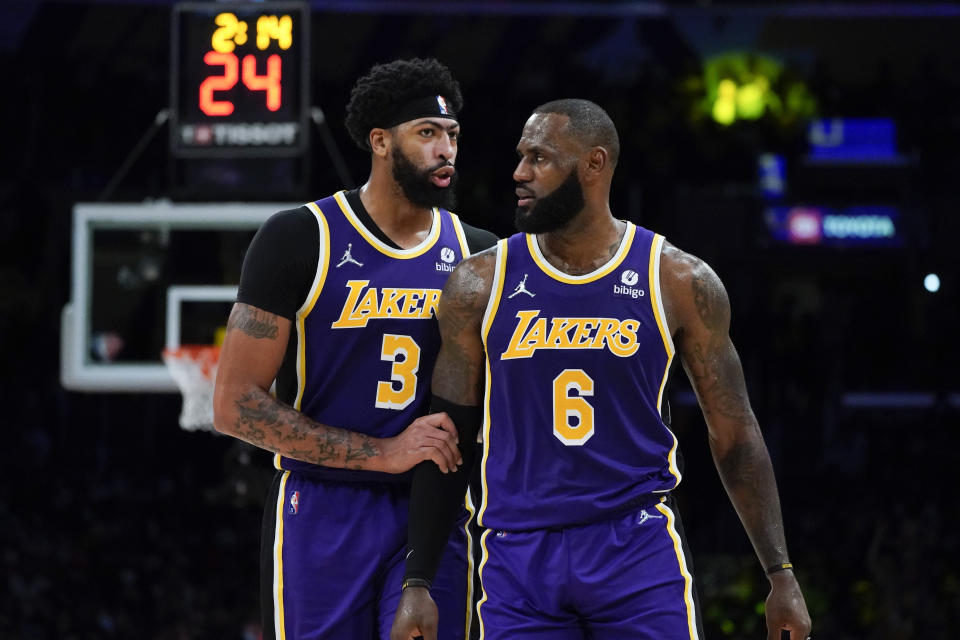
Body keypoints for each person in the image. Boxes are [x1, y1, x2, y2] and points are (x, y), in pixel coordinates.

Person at [390, 99, 812, 640]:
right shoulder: (478, 284)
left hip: (635, 548)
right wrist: (418, 579)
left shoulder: (678, 279)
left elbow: (734, 434)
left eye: (539, 158)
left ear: (594, 164)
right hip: (518, 554)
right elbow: (446, 438)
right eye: (521, 156)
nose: (519, 173)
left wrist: (781, 573)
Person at [212, 58, 497, 640]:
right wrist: (383, 453)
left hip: (432, 509)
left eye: (453, 136)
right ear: (380, 141)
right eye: (427, 134)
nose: (446, 150)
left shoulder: (479, 255)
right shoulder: (298, 238)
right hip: (321, 506)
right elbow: (234, 404)